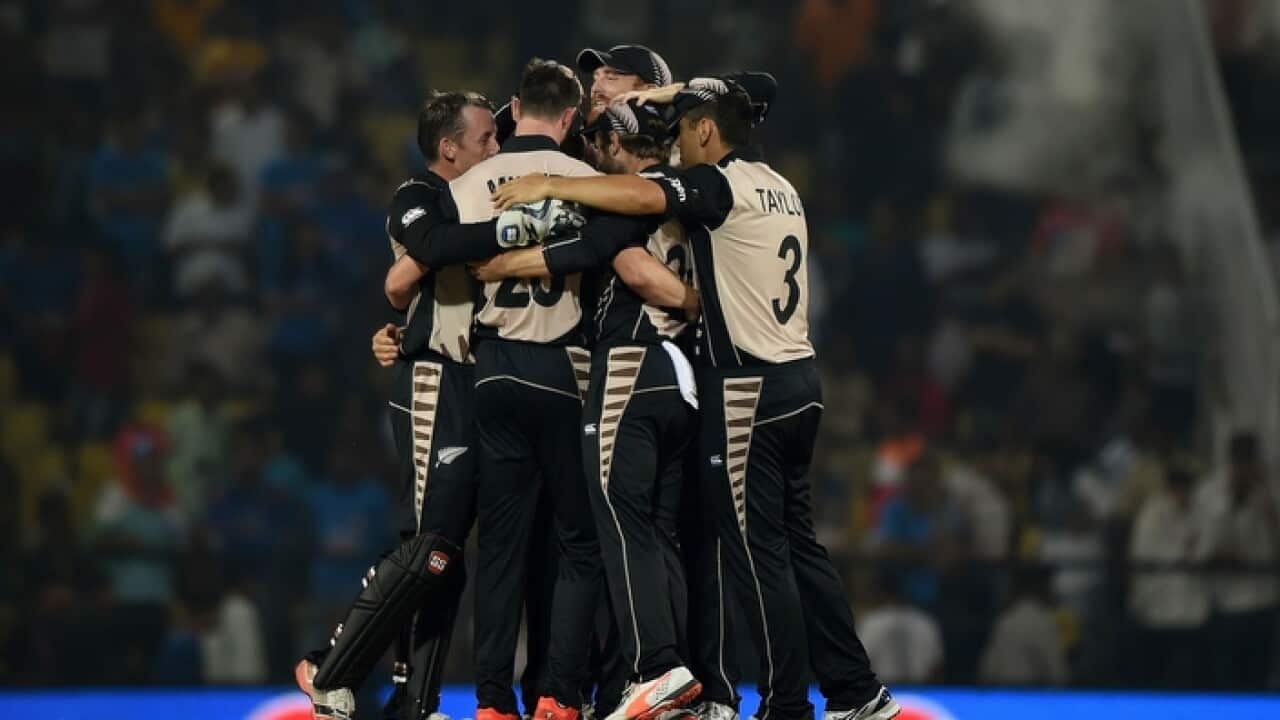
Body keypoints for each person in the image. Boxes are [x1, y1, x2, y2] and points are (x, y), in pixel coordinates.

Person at [492, 78, 898, 720]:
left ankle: (782, 704)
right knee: (799, 548)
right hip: (801, 379)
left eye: (685, 130)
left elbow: (641, 199)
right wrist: (675, 91)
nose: (678, 145)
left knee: (754, 556)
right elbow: (744, 99)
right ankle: (856, 690)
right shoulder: (782, 185)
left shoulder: (718, 185)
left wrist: (552, 185)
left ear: (707, 130)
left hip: (747, 387)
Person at [472, 100, 702, 720]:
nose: (595, 148)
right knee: (657, 532)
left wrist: (502, 264)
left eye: (603, 140)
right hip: (682, 376)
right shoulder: (686, 197)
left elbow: (613, 259)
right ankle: (674, 675)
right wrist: (699, 304)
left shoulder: (624, 196)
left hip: (632, 363)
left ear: (620, 147)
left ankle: (655, 668)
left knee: (618, 526)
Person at [295, 90, 513, 720]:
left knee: (446, 556)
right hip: (433, 380)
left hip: (479, 382)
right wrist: (510, 228)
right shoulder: (417, 197)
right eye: (484, 141)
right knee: (431, 546)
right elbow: (433, 249)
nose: (495, 152)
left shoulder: (478, 195)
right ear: (449, 149)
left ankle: (413, 703)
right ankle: (329, 666)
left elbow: (406, 285)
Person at [448, 58, 601, 720]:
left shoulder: (471, 180)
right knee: (577, 539)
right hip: (563, 367)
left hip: (492, 366)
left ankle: (490, 700)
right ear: (570, 118)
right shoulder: (590, 180)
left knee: (502, 547)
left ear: (515, 107)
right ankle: (557, 694)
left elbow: (448, 274)